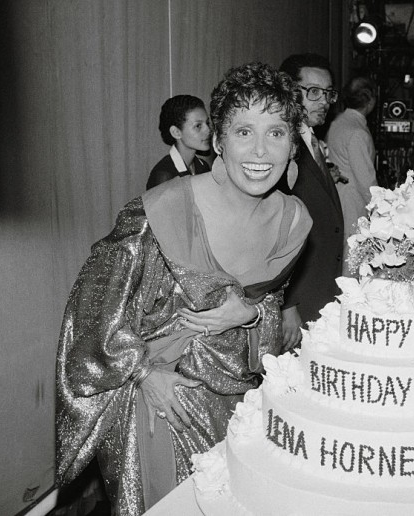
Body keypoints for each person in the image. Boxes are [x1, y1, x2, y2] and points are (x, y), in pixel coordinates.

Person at [56, 62, 311, 515]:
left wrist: (250, 315)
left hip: (236, 403)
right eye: (243, 131)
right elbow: (92, 310)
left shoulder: (294, 221)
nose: (260, 150)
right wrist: (143, 374)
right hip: (162, 399)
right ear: (219, 142)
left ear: (293, 145)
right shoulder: (160, 211)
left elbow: (267, 311)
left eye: (276, 133)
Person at [278, 53, 344, 347]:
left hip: (320, 286)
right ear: (290, 93)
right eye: (313, 92)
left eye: (328, 93)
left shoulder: (311, 139)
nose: (324, 101)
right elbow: (276, 230)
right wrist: (287, 305)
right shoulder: (280, 144)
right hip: (298, 300)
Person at [326, 75, 378, 276]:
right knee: (353, 260)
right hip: (353, 203)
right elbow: (366, 181)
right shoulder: (358, 132)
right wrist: (380, 210)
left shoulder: (338, 122)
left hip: (337, 196)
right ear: (370, 101)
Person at [146, 95, 212, 189]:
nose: (208, 130)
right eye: (198, 126)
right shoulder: (164, 176)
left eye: (207, 123)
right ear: (176, 132)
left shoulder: (203, 167)